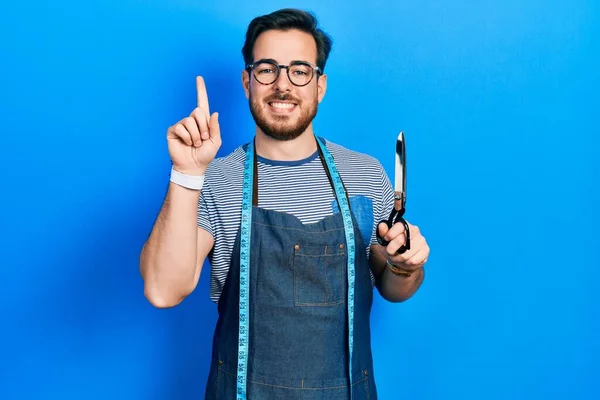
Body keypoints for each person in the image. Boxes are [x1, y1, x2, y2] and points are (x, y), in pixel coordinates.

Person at [140, 8, 430, 399]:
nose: (282, 84)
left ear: (319, 86)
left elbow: (393, 286)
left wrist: (405, 266)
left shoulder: (364, 173)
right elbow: (163, 290)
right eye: (266, 69)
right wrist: (186, 173)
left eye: (299, 70)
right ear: (247, 82)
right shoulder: (215, 179)